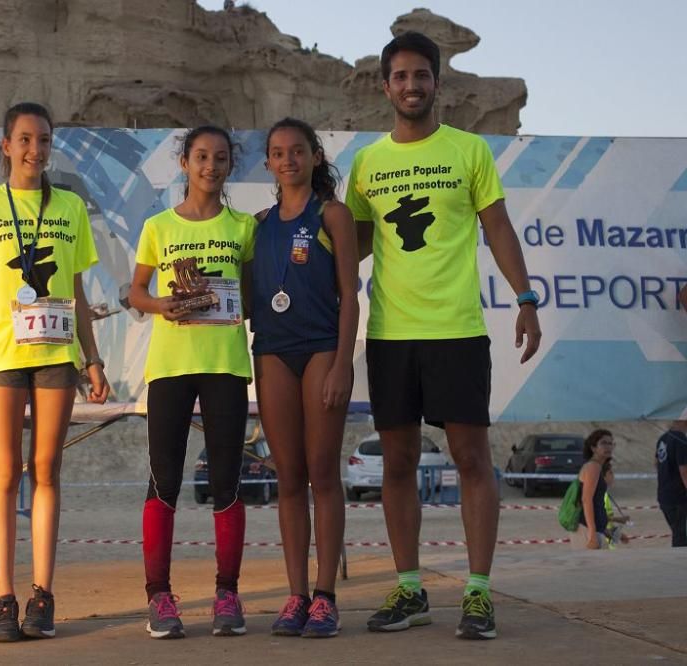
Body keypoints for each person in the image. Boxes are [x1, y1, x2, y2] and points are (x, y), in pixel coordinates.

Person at [345, 31, 542, 641]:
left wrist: (527, 297)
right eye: (400, 76)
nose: (411, 85)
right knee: (397, 464)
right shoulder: (367, 163)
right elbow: (350, 249)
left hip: (456, 330)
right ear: (386, 87)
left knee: (472, 460)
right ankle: (410, 589)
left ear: (437, 83)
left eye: (421, 76)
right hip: (389, 335)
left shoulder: (469, 151)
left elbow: (500, 227)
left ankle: (478, 596)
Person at [0, 102, 110, 642]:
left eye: (43, 140)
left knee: (46, 471)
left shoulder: (69, 206)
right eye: (24, 139)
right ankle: (2, 598)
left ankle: (42, 595)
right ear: (6, 145)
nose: (34, 150)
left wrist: (93, 359)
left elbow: (79, 291)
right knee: (3, 473)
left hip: (56, 356)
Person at [129, 125, 257, 639]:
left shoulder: (243, 227)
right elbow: (137, 291)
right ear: (184, 162)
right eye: (201, 156)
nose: (210, 165)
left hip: (225, 362)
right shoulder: (158, 226)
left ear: (230, 165)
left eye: (220, 158)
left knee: (226, 480)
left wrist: (225, 306)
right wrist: (163, 304)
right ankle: (159, 597)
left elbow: (249, 296)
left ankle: (227, 593)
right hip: (170, 365)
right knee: (166, 478)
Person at [248, 118, 358, 638]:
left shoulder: (333, 215)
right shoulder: (258, 223)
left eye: (297, 151)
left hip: (320, 349)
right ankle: (294, 596)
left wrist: (343, 361)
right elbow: (246, 301)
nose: (288, 159)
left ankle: (326, 596)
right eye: (277, 152)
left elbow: (350, 296)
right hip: (272, 353)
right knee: (287, 476)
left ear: (314, 156)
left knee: (322, 470)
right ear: (268, 162)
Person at [578, 429, 614, 549]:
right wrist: (592, 533)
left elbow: (597, 504)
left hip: (596, 530)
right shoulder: (593, 467)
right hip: (588, 531)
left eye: (610, 443)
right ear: (593, 448)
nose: (608, 447)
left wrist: (607, 532)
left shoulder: (598, 467)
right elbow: (586, 500)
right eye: (603, 443)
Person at [656, 419, 687, 547]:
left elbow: (656, 463)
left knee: (678, 533)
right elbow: (684, 471)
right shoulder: (681, 439)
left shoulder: (662, 438)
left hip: (664, 496)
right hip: (679, 497)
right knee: (681, 536)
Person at [602, 461, 631, 548]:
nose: (613, 476)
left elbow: (604, 524)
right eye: (610, 473)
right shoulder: (600, 496)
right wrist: (618, 519)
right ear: (602, 476)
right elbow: (597, 521)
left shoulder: (605, 495)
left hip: (607, 543)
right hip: (601, 546)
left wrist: (619, 535)